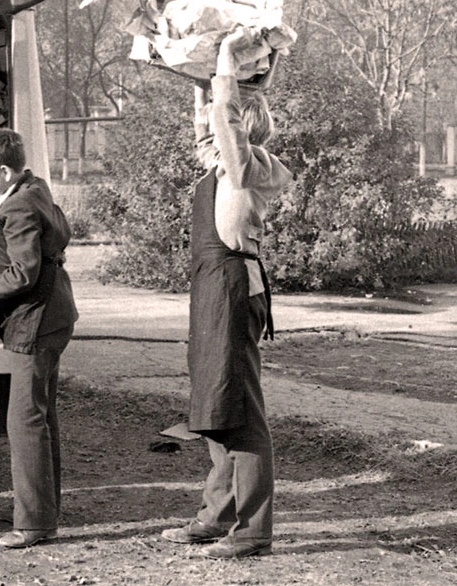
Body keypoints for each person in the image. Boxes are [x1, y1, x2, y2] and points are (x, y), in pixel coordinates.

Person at [161, 28, 293, 559]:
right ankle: (216, 517)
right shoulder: (218, 165)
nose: (212, 138)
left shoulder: (250, 167)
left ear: (238, 126)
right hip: (213, 290)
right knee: (215, 400)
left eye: (223, 126)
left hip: (235, 290)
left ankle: (254, 531)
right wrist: (198, 78)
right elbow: (207, 129)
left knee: (243, 411)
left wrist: (223, 70)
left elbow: (225, 124)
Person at [0, 128, 78, 549]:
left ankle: (33, 524)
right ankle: (47, 512)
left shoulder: (18, 208)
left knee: (23, 422)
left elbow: (23, 272)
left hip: (35, 319)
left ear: (5, 172)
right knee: (42, 418)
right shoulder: (34, 187)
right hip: (56, 312)